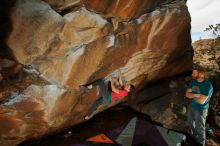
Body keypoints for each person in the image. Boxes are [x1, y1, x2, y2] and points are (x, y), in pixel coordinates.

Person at [185, 67, 213, 146]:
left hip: (201, 110)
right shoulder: (193, 82)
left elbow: (201, 101)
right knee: (190, 124)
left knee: (200, 128)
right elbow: (187, 94)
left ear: (201, 74)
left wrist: (192, 95)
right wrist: (196, 95)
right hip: (191, 106)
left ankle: (200, 143)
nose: (192, 74)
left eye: (194, 73)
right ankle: (194, 139)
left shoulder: (208, 85)